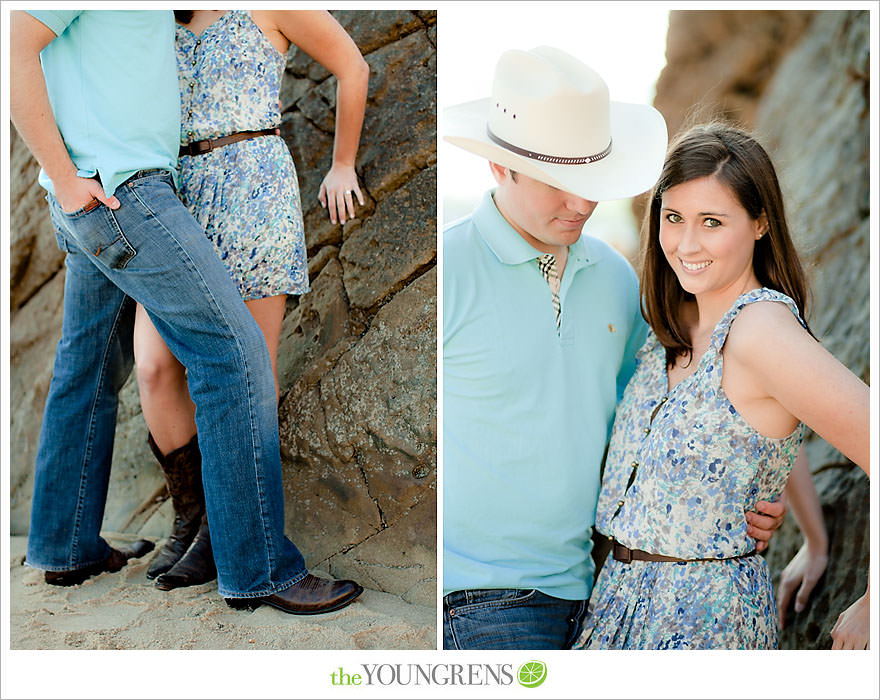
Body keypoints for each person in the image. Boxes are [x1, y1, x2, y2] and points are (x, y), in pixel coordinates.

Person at [10, 9, 362, 615]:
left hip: (150, 188)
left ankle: (67, 546)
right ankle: (257, 567)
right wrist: (66, 180)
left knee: (90, 364)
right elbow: (14, 46)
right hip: (122, 190)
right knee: (229, 354)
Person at [441, 47, 786, 650]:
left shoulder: (612, 275)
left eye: (592, 180)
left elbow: (702, 398)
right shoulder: (451, 268)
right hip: (483, 599)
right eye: (561, 183)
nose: (582, 205)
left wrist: (768, 492)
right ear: (500, 166)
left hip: (601, 591)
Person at [574, 122, 869, 649]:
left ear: (759, 223)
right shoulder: (675, 322)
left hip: (704, 623)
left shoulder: (761, 331)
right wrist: (814, 536)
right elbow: (761, 425)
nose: (687, 243)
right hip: (616, 605)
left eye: (712, 221)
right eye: (674, 218)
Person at [133, 9, 368, 591]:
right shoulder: (155, 16)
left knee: (249, 374)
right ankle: (195, 516)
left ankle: (222, 537)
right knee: (154, 367)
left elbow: (352, 66)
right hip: (173, 194)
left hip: (252, 187)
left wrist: (342, 164)